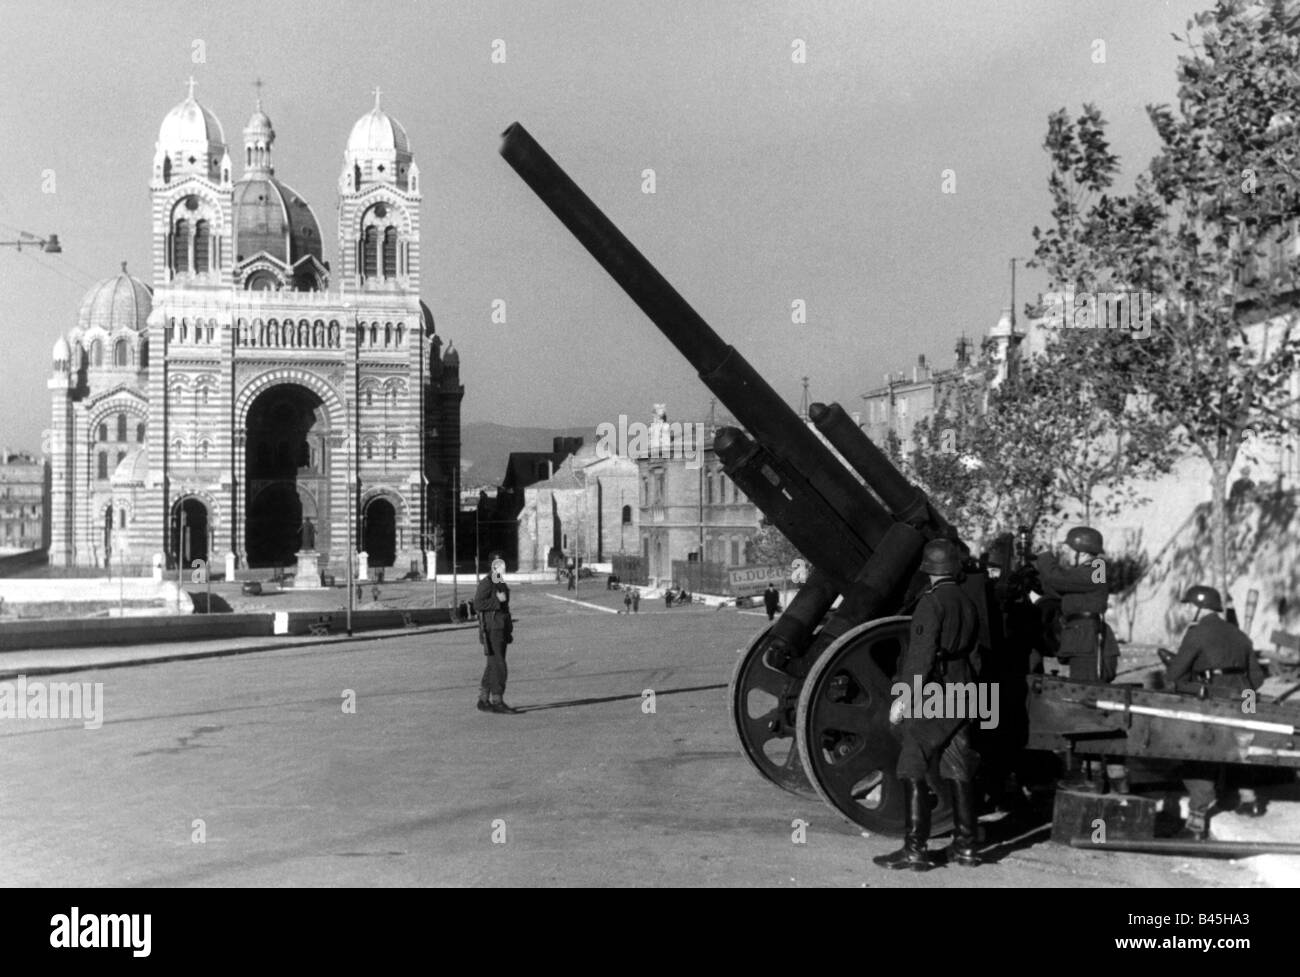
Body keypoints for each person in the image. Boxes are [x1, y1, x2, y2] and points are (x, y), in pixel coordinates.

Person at [873, 538, 984, 872]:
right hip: (966, 691)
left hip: (938, 694)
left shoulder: (931, 603)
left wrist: (904, 701)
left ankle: (915, 850)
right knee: (957, 765)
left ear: (928, 569)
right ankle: (965, 847)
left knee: (911, 762)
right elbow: (976, 656)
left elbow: (920, 657)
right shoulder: (967, 602)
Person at [1164, 585, 1267, 839]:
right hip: (1243, 700)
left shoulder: (1196, 633)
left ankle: (1196, 822)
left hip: (1213, 699)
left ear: (1199, 607)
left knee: (1198, 753)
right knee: (1237, 746)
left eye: (1189, 605)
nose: (1187, 610)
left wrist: (1197, 685)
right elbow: (1257, 677)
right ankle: (1244, 797)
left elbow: (1174, 675)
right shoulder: (1240, 634)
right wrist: (1239, 690)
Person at [474, 554, 518, 714]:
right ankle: (497, 701)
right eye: (499, 564)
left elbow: (505, 606)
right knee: (499, 665)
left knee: (493, 664)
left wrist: (508, 628)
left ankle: (483, 699)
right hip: (492, 629)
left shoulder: (498, 581)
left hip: (501, 627)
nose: (503, 567)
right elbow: (477, 603)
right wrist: (497, 601)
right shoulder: (487, 582)